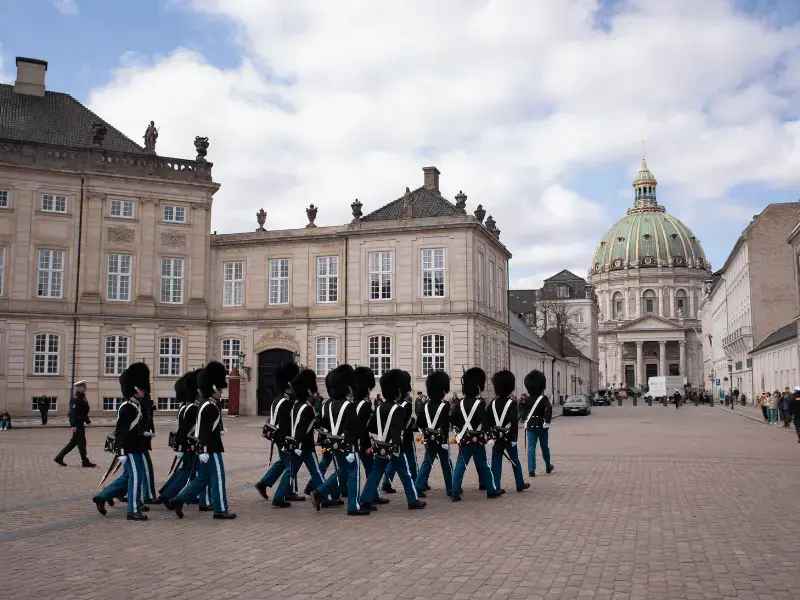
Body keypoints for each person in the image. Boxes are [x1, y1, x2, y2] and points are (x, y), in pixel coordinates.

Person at [172, 361, 237, 520]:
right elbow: (204, 431)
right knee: (218, 477)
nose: (221, 392)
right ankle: (220, 509)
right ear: (213, 388)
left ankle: (180, 499)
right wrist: (204, 449)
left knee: (203, 478)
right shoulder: (209, 406)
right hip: (211, 449)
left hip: (206, 448)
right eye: (220, 389)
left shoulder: (206, 404)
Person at [358, 369, 426, 510]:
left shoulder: (379, 407)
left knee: (375, 473)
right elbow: (397, 430)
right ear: (398, 391)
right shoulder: (398, 409)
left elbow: (371, 426)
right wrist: (396, 444)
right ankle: (413, 500)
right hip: (393, 447)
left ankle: (365, 500)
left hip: (380, 445)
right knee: (405, 473)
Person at [92, 363, 150, 520]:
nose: (144, 391)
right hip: (129, 449)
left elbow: (135, 428)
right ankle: (133, 510)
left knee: (131, 476)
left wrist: (145, 433)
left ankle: (103, 497)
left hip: (136, 446)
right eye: (142, 389)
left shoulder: (135, 405)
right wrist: (121, 451)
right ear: (135, 389)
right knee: (136, 477)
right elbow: (121, 432)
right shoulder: (127, 407)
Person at [311, 365, 370, 516]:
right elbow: (353, 428)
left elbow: (322, 424)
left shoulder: (327, 404)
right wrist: (354, 445)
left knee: (343, 472)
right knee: (354, 474)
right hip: (348, 445)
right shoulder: (349, 406)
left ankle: (319, 492)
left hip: (333, 444)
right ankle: (353, 507)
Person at [273, 368, 327, 508]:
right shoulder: (307, 408)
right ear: (308, 391)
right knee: (315, 471)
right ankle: (323, 497)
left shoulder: (296, 405)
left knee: (290, 471)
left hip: (295, 444)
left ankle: (278, 496)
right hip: (305, 445)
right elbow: (305, 427)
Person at [450, 367, 501, 502]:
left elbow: (454, 419)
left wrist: (461, 428)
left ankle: (454, 490)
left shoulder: (459, 403)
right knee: (484, 465)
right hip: (476, 439)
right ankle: (491, 490)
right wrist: (489, 435)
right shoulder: (480, 403)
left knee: (460, 465)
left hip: (464, 438)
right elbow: (484, 420)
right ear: (477, 388)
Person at [255, 362, 302, 502]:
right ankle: (283, 494)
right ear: (289, 385)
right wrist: (289, 440)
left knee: (283, 462)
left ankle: (264, 483)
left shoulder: (278, 399)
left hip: (277, 436)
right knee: (291, 465)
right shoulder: (286, 402)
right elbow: (285, 424)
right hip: (283, 437)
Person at [158, 370, 201, 507]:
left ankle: (179, 493)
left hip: (186, 443)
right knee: (188, 471)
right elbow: (185, 428)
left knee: (189, 470)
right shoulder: (193, 407)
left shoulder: (186, 406)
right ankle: (168, 495)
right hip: (190, 443)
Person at [414, 370, 454, 498]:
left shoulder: (425, 405)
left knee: (427, 463)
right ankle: (451, 489)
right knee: (446, 464)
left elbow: (419, 423)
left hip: (429, 438)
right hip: (441, 439)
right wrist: (444, 441)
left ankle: (418, 487)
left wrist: (426, 432)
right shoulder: (444, 405)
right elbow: (445, 425)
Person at [488, 370, 529, 493]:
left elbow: (487, 420)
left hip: (497, 437)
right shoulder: (512, 403)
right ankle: (519, 483)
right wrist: (514, 439)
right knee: (515, 460)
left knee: (496, 462)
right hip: (509, 437)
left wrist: (492, 434)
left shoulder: (492, 403)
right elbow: (514, 422)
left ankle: (495, 486)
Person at [352, 366, 389, 505]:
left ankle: (374, 495)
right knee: (371, 469)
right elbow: (369, 426)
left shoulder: (353, 403)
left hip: (353, 442)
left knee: (365, 469)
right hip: (363, 443)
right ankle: (320, 491)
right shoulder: (365, 405)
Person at [381, 371, 417, 494]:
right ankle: (416, 484)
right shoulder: (407, 404)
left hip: (394, 436)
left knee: (394, 460)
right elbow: (405, 423)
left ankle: (386, 482)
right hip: (405, 437)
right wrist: (413, 422)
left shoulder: (394, 403)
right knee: (411, 462)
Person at [54, 381, 96, 467]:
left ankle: (59, 457)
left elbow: (83, 411)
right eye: (83, 387)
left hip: (80, 422)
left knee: (74, 443)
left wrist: (88, 421)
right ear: (79, 388)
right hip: (77, 423)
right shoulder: (75, 398)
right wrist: (73, 425)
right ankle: (85, 461)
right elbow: (73, 413)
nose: (85, 388)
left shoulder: (82, 397)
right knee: (82, 442)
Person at [523, 370, 554, 477]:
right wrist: (547, 420)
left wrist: (524, 419)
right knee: (544, 446)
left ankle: (531, 469)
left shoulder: (527, 399)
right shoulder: (543, 398)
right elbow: (549, 408)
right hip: (542, 426)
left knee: (531, 448)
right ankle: (548, 465)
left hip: (530, 426)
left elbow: (522, 412)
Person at [139, 391, 158, 503]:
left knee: (129, 474)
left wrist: (150, 431)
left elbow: (148, 420)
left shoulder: (144, 403)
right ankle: (149, 496)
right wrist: (143, 433)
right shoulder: (136, 405)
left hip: (142, 442)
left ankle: (107, 494)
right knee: (147, 470)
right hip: (138, 444)